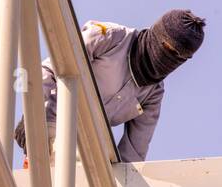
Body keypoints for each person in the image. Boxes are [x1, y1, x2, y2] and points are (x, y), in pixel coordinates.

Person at [17, 10, 206, 164]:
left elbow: (133, 154)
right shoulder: (110, 37)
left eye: (180, 57)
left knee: (99, 177)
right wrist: (31, 117)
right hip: (54, 122)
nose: (170, 58)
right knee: (75, 169)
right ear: (157, 34)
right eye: (168, 48)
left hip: (92, 148)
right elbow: (52, 68)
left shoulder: (153, 94)